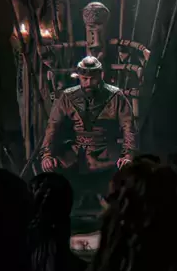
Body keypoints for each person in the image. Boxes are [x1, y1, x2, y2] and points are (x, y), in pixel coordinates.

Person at [40, 56, 135, 206]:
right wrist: (47, 154)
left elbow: (128, 128)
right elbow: (53, 127)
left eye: (92, 79)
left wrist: (127, 154)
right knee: (53, 169)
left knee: (125, 172)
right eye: (84, 79)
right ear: (79, 77)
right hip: (76, 151)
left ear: (101, 75)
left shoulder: (116, 96)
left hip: (106, 150)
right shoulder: (68, 96)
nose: (88, 83)